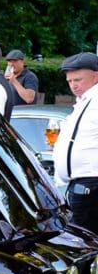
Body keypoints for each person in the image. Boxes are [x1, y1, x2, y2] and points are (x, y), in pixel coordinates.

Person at [54, 53, 98, 234]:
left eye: (78, 79)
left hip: (91, 185)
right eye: (70, 81)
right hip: (80, 184)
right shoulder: (84, 101)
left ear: (95, 76)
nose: (73, 85)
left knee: (83, 239)